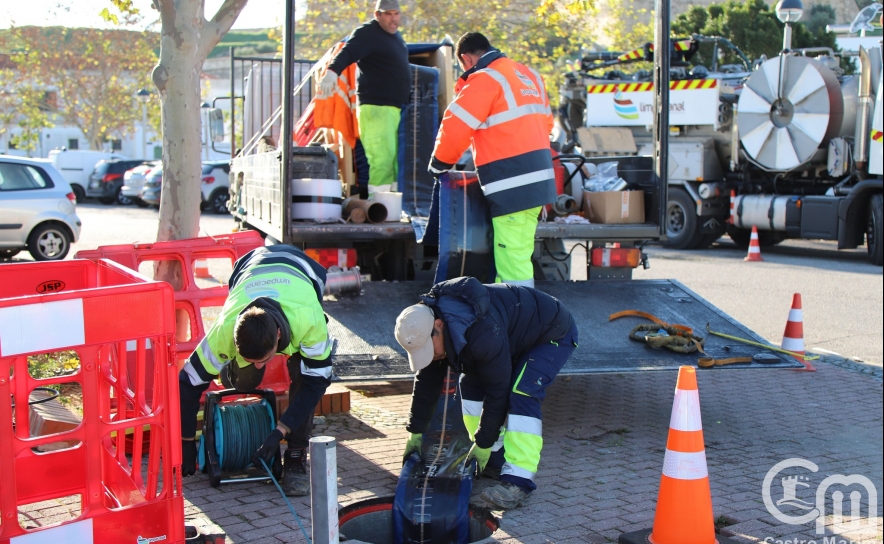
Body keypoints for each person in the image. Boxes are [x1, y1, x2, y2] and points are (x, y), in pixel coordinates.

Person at [395, 276, 578, 509]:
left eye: (428, 349)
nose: (428, 355)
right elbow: (426, 383)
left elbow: (497, 393)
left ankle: (518, 481)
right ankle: (494, 459)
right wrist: (416, 431)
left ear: (438, 326)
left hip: (552, 332)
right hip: (511, 336)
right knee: (469, 388)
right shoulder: (432, 327)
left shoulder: (481, 335)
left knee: (521, 393)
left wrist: (482, 441)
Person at [179, 245, 333, 496]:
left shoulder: (309, 321)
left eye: (265, 359)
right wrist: (185, 442)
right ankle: (232, 369)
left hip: (304, 274)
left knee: (302, 374)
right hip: (250, 267)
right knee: (245, 380)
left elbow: (317, 382)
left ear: (279, 336)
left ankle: (295, 458)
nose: (261, 364)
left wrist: (281, 431)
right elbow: (187, 382)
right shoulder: (224, 330)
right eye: (251, 359)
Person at [428, 33, 557, 288]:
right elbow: (547, 125)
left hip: (512, 185)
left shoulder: (485, 78)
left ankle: (518, 318)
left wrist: (439, 164)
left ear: (466, 59)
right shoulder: (530, 77)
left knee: (512, 264)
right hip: (539, 182)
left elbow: (456, 125)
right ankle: (512, 311)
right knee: (517, 255)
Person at [320, 0, 410, 199]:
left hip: (394, 108)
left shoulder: (396, 37)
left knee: (394, 161)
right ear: (377, 14)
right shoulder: (368, 32)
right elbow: (348, 51)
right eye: (388, 14)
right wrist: (332, 72)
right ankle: (379, 206)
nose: (393, 18)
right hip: (376, 108)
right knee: (382, 160)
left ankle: (391, 206)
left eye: (396, 13)